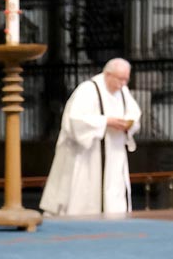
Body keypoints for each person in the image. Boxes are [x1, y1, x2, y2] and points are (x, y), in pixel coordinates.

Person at [40, 58, 142, 217]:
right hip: (88, 155)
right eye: (120, 79)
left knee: (113, 194)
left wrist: (128, 124)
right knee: (86, 193)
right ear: (108, 74)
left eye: (126, 79)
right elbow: (75, 121)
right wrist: (106, 121)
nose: (123, 83)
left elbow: (134, 114)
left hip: (114, 153)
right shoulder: (88, 90)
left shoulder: (123, 92)